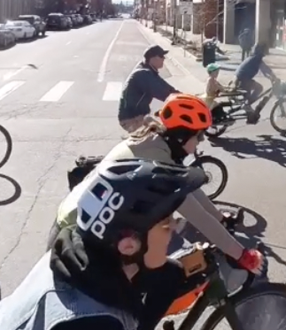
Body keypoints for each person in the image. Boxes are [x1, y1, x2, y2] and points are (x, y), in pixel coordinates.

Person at [0, 159, 210, 330]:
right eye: (166, 223)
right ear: (129, 246)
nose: (175, 229)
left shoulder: (80, 258)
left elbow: (151, 278)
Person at [54, 95, 261, 270]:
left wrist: (220, 218)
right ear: (181, 136)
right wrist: (241, 254)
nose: (201, 141)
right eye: (199, 136)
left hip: (80, 220)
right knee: (170, 271)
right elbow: (197, 216)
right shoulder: (157, 162)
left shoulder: (154, 142)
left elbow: (191, 191)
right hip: (77, 235)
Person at [119, 46, 180, 132]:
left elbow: (166, 87)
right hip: (132, 119)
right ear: (152, 58)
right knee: (162, 137)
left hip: (140, 116)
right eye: (161, 56)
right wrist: (182, 99)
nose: (164, 58)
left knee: (163, 133)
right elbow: (165, 94)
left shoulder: (148, 70)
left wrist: (184, 96)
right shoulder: (144, 74)